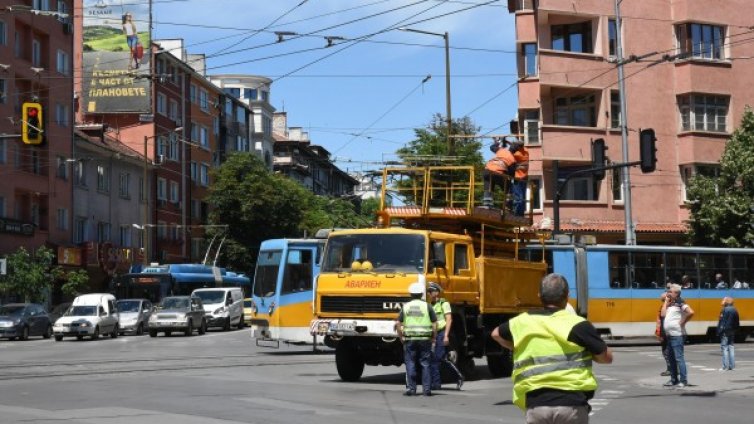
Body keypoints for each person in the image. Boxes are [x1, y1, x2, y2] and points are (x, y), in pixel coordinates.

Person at [491, 273, 613, 423]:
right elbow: (606, 357)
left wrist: (518, 346)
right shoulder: (578, 324)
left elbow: (496, 334)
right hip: (571, 405)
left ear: (539, 296)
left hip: (536, 405)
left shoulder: (523, 321)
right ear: (567, 296)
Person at [395, 281, 437, 396]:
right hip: (425, 339)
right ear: (421, 294)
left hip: (410, 339)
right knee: (425, 364)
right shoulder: (427, 306)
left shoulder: (406, 306)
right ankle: (427, 390)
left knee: (410, 363)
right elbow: (434, 323)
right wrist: (434, 337)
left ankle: (412, 389)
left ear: (411, 294)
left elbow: (398, 323)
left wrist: (401, 337)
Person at [427, 282, 464, 391]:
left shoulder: (444, 303)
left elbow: (449, 319)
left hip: (442, 333)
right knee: (438, 358)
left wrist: (446, 336)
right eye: (428, 292)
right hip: (433, 334)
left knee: (437, 358)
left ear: (437, 292)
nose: (429, 294)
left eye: (430, 291)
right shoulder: (429, 305)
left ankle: (438, 383)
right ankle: (455, 377)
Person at [661, 284, 694, 388]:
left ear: (676, 293)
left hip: (677, 334)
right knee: (671, 359)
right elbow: (663, 314)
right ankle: (674, 380)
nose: (668, 293)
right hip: (670, 335)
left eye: (670, 292)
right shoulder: (670, 303)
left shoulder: (680, 302)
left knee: (679, 358)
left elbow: (691, 312)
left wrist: (683, 322)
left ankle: (683, 381)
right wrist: (666, 302)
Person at [483, 139, 516, 208]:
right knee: (509, 187)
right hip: (498, 172)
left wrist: (498, 142)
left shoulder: (501, 150)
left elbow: (492, 147)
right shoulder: (512, 158)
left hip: (487, 170)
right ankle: (508, 205)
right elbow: (512, 174)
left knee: (488, 187)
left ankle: (487, 204)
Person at [717, 297, 740, 371]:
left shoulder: (724, 310)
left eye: (723, 300)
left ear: (726, 302)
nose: (722, 301)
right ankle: (732, 366)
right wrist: (735, 329)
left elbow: (722, 322)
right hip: (732, 330)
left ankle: (724, 366)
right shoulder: (735, 309)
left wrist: (719, 331)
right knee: (731, 347)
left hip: (725, 331)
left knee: (724, 348)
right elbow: (737, 321)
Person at [509, 140, 529, 216]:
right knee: (522, 198)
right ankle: (520, 214)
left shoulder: (516, 154)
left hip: (518, 178)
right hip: (524, 178)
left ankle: (517, 214)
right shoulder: (526, 151)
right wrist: (509, 142)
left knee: (519, 198)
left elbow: (509, 156)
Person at [656, 292, 672, 376]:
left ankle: (671, 369)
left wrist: (661, 334)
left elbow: (663, 322)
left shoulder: (666, 307)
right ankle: (671, 369)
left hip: (665, 333)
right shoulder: (666, 306)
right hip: (665, 332)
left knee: (667, 352)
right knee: (668, 351)